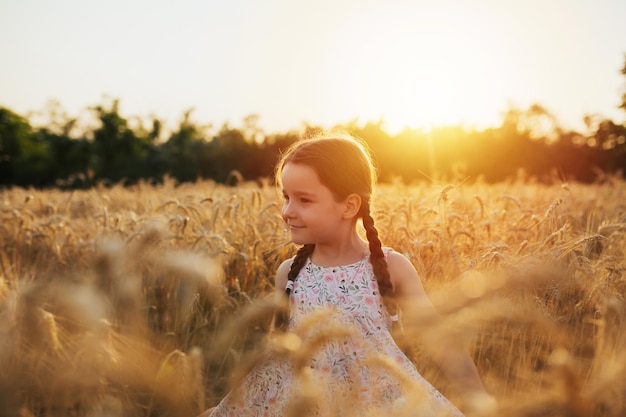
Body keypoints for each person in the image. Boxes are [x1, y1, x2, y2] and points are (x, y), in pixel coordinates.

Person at [200, 133, 492, 417]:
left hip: (376, 404)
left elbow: (440, 342)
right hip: (305, 403)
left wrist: (483, 404)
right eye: (286, 197)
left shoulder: (392, 267)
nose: (288, 211)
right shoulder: (289, 273)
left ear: (349, 205)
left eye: (304, 200)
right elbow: (278, 354)